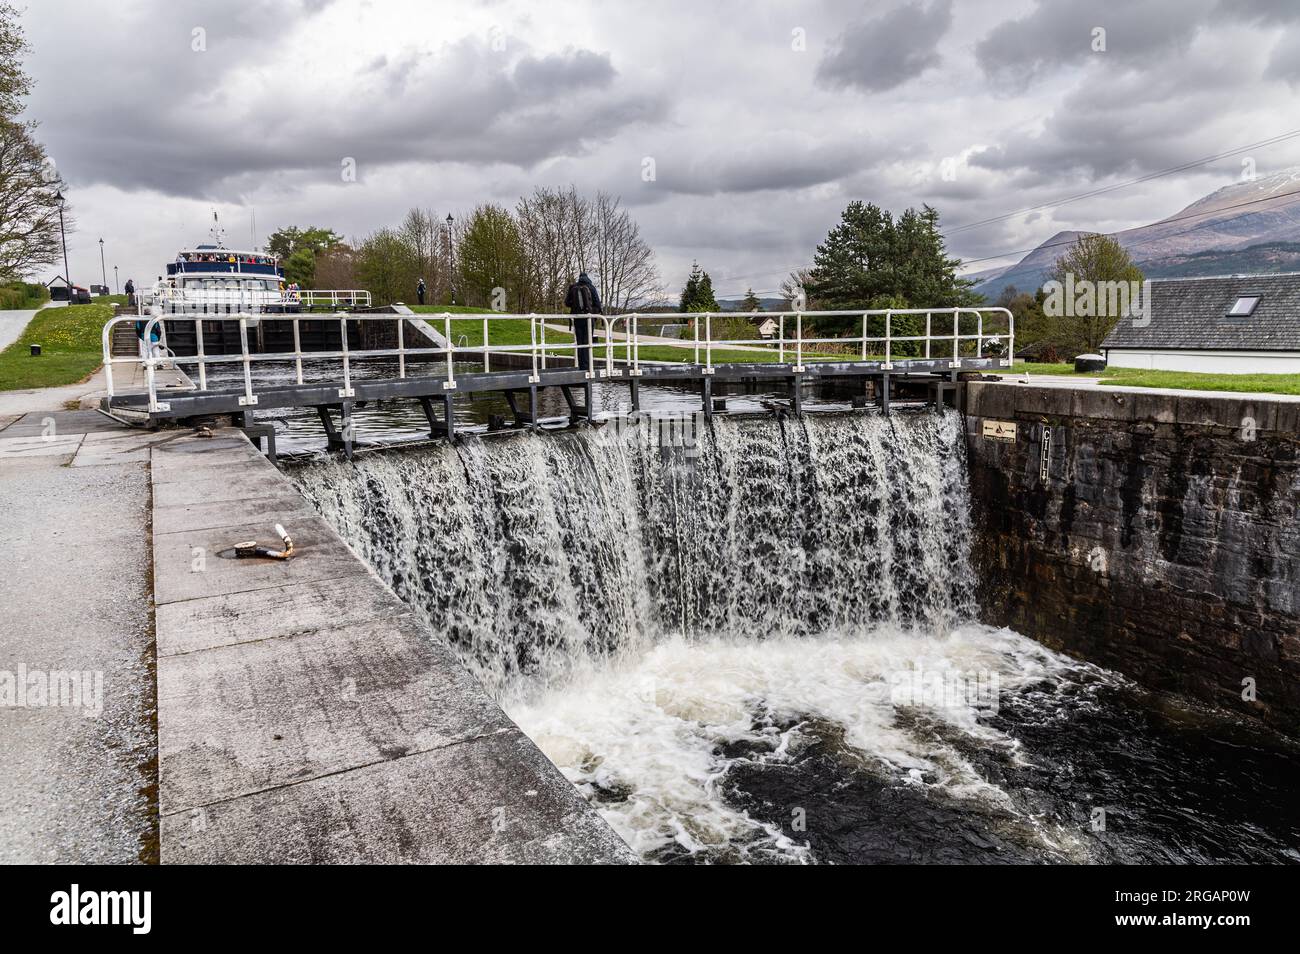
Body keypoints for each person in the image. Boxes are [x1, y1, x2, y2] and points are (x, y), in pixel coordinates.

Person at [563, 272, 602, 371]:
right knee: (588, 343)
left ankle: (581, 367)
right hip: (589, 320)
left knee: (580, 343)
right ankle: (587, 367)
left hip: (577, 319)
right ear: (587, 278)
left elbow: (567, 303)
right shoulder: (591, 287)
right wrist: (593, 316)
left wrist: (574, 306)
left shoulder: (573, 287)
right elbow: (597, 304)